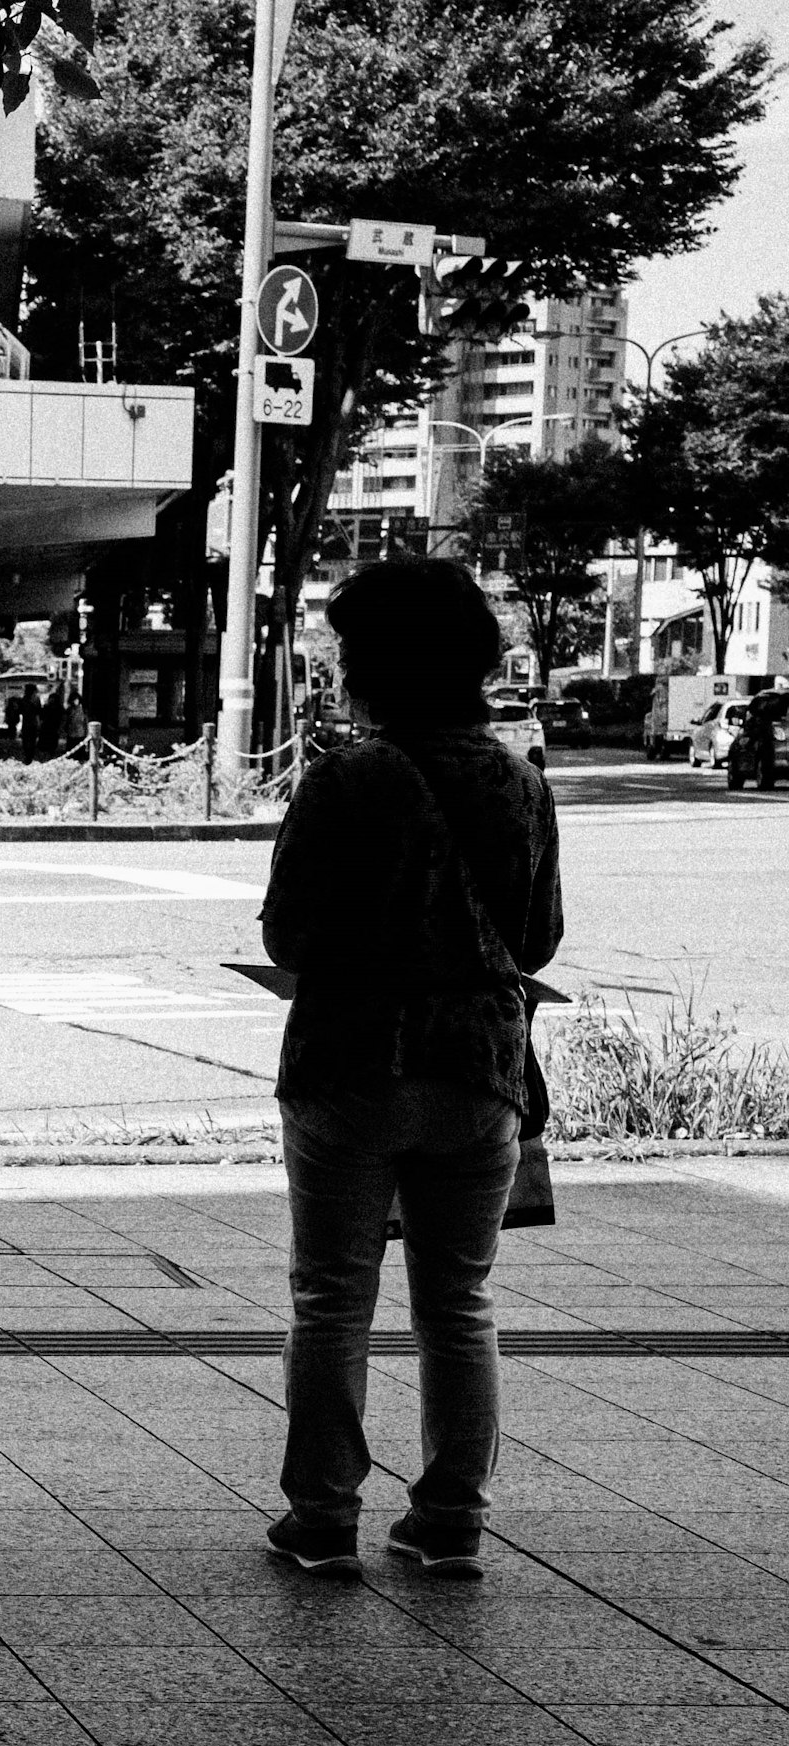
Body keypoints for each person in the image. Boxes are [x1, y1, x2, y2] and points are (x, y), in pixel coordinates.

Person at [261, 556, 564, 1577]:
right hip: (481, 1068)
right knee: (459, 1301)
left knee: (333, 1298)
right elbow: (539, 936)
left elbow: (290, 934)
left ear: (376, 664)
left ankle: (323, 1518)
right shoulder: (521, 780)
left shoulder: (348, 778)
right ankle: (450, 1520)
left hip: (351, 1060)